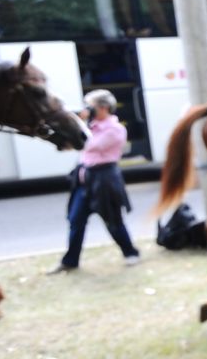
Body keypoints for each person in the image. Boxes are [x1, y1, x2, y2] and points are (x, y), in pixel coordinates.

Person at [48, 89, 141, 273]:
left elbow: (87, 145)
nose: (87, 110)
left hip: (104, 180)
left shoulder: (115, 129)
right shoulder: (89, 126)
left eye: (91, 106)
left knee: (113, 221)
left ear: (104, 108)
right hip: (84, 181)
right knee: (76, 221)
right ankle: (70, 261)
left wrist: (81, 123)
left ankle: (130, 253)